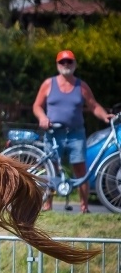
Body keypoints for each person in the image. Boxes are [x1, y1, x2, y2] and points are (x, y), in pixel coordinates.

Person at [32, 49, 113, 214]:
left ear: (74, 64)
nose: (66, 64)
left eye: (69, 61)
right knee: (52, 168)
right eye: (62, 62)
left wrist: (105, 116)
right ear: (57, 64)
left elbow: (93, 105)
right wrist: (42, 117)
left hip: (76, 134)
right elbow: (37, 106)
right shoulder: (49, 84)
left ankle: (84, 207)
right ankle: (48, 204)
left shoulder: (81, 86)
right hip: (54, 133)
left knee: (80, 169)